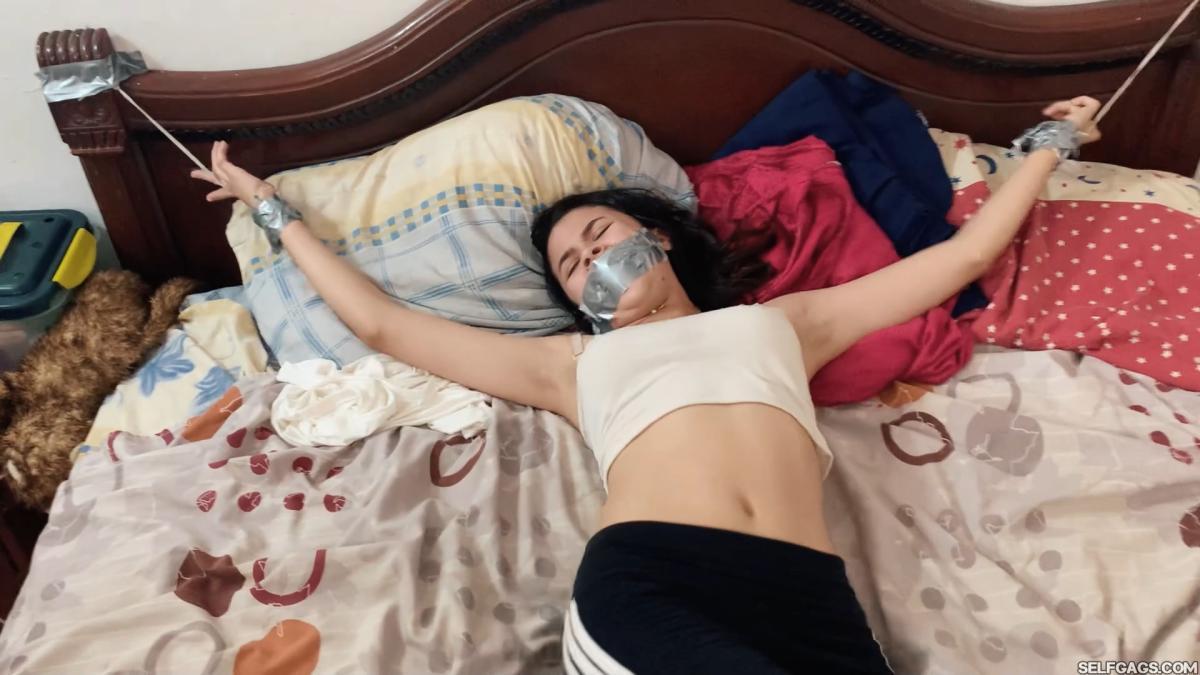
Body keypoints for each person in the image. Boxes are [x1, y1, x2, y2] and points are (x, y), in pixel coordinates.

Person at [192, 96, 1102, 674]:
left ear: (656, 237)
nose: (592, 260)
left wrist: (1049, 145)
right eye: (571, 265)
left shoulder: (789, 321)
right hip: (658, 585)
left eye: (600, 236)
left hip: (811, 601)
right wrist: (271, 210)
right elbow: (384, 326)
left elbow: (963, 258)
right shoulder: (571, 363)